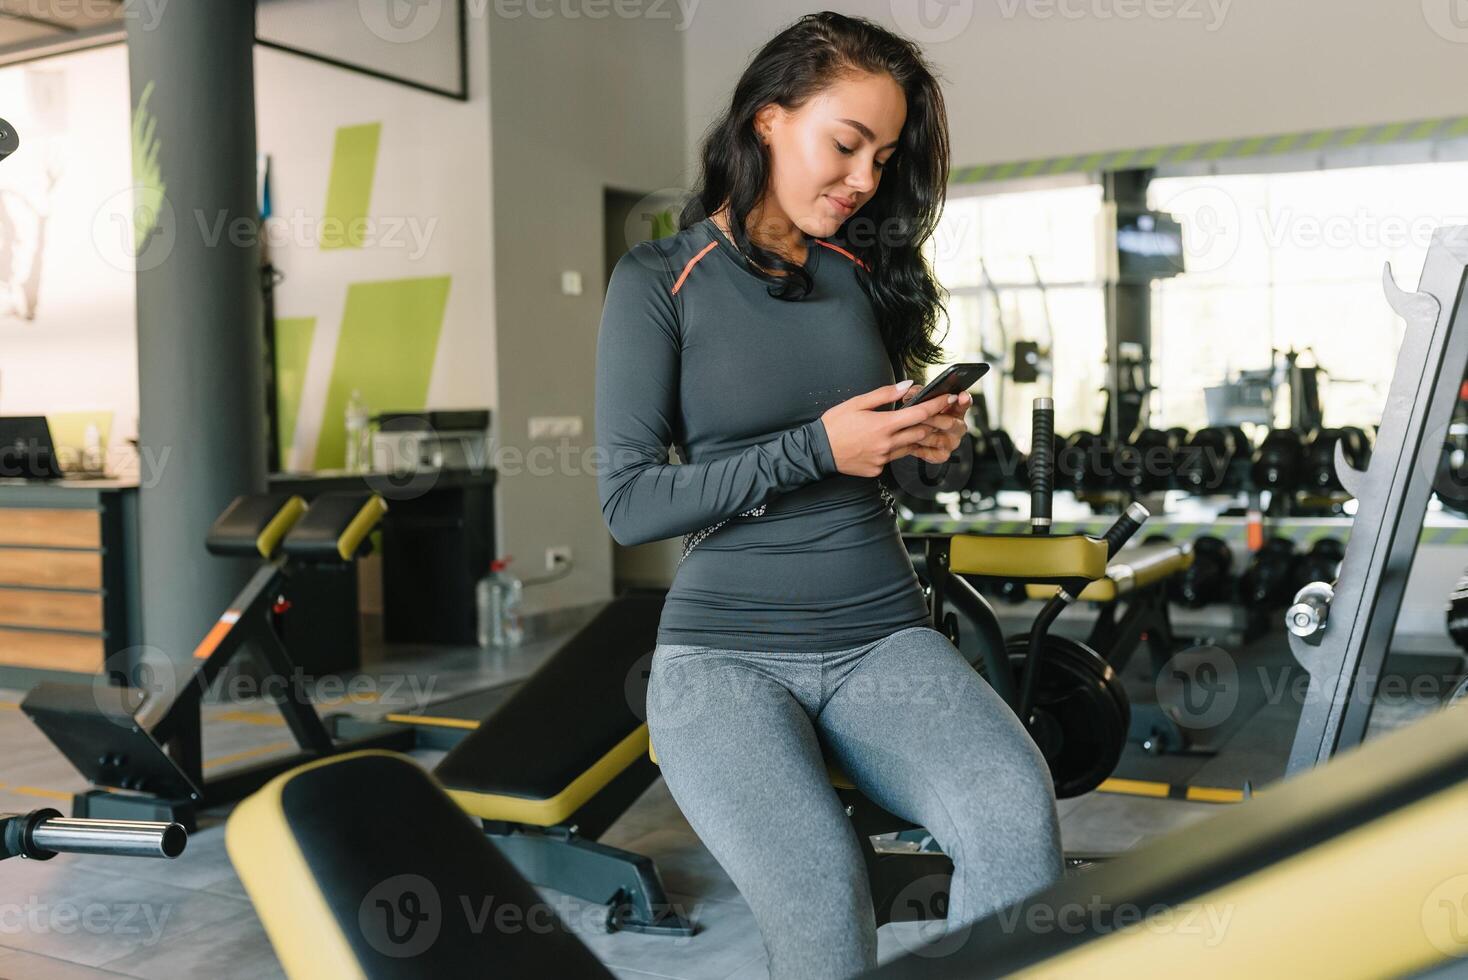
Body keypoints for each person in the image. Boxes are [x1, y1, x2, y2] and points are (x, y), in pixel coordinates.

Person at [595, 12, 1061, 977]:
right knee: (821, 891)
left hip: (882, 635)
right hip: (724, 658)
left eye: (883, 158)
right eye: (845, 145)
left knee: (1017, 818)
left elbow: (886, 470)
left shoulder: (864, 276)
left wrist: (926, 447)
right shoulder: (659, 279)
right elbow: (631, 504)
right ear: (768, 122)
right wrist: (818, 445)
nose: (864, 180)